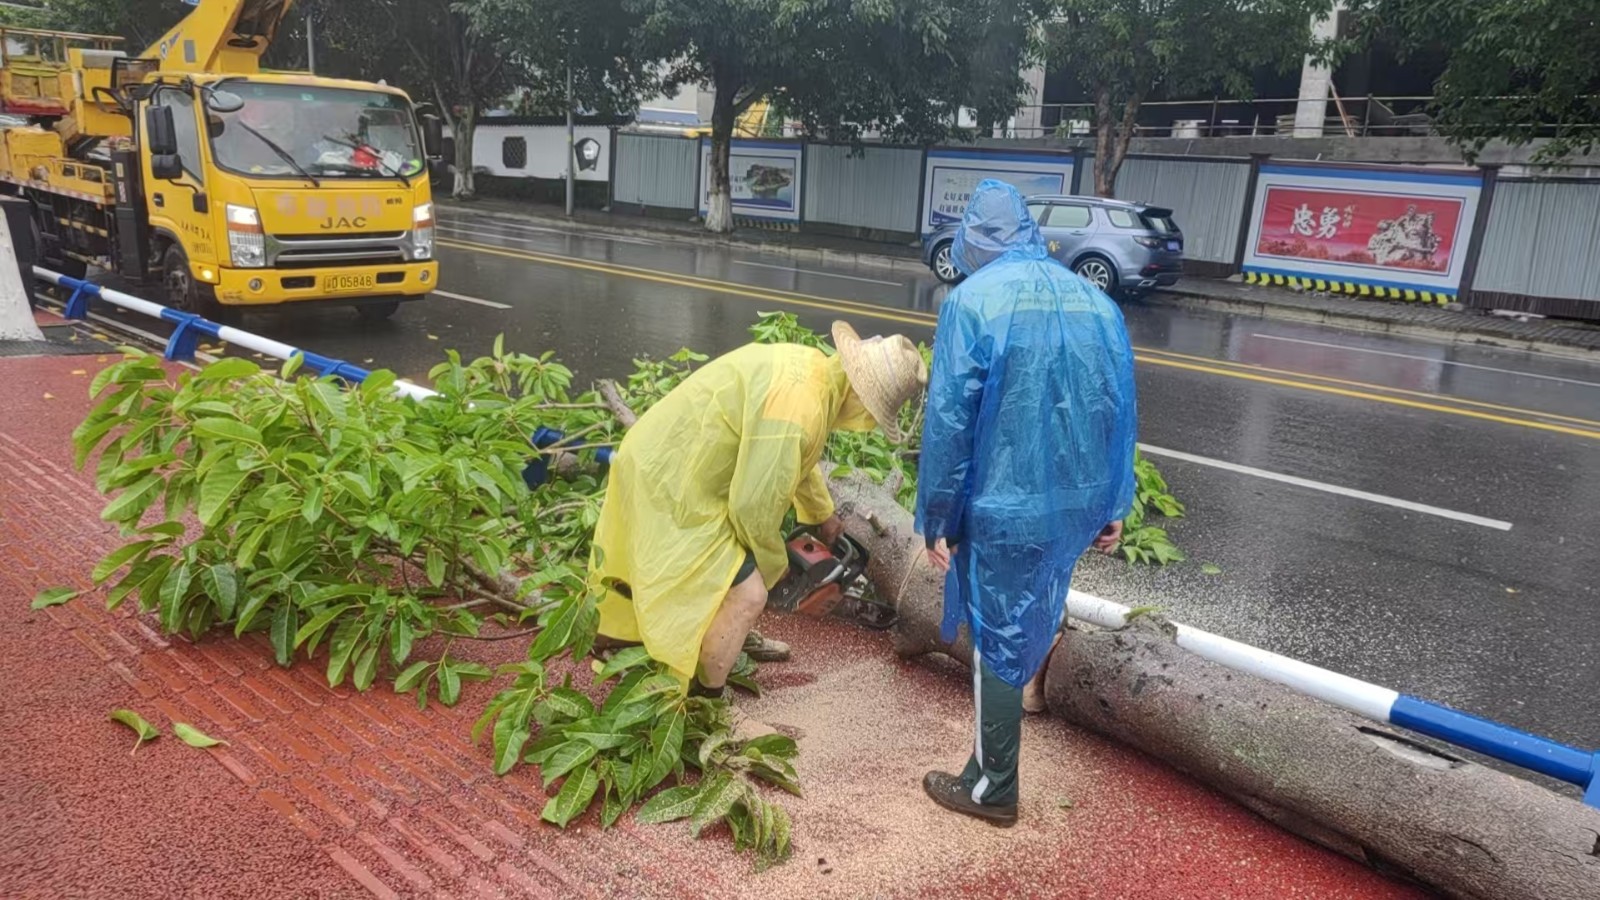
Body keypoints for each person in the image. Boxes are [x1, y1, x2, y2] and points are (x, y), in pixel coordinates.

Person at [915, 180, 1139, 827]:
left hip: (1002, 504)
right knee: (1022, 626)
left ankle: (993, 788)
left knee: (997, 640)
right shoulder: (1095, 302)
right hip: (1069, 503)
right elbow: (1116, 409)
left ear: (978, 238)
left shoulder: (972, 303)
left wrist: (937, 514)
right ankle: (986, 772)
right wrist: (1113, 501)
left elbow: (951, 424)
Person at [590, 323, 928, 697]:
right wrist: (774, 568)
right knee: (748, 592)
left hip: (680, 460)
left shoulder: (815, 373)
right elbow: (751, 507)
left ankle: (723, 636)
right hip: (674, 480)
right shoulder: (800, 409)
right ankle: (705, 698)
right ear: (865, 401)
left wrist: (823, 517)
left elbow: (797, 461)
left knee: (736, 568)